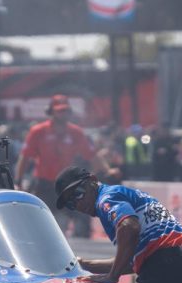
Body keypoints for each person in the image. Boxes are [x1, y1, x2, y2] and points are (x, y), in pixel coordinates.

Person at [15, 95, 115, 232]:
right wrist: (18, 181)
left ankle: (81, 245)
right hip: (44, 184)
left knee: (83, 220)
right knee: (39, 223)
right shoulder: (38, 131)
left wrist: (107, 170)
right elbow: (25, 157)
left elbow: (92, 155)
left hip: (68, 185)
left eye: (66, 110)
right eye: (60, 111)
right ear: (51, 112)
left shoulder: (76, 132)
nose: (64, 114)